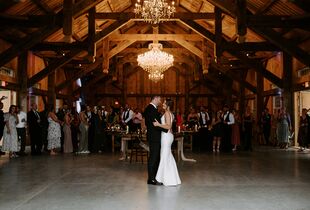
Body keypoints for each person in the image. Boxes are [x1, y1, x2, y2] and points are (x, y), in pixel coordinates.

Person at [153, 98, 181, 186]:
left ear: (168, 105)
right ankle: (171, 178)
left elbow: (168, 126)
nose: (163, 104)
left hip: (166, 136)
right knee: (167, 155)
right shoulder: (170, 113)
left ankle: (162, 179)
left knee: (164, 156)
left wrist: (158, 124)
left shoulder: (167, 113)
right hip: (167, 136)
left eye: (165, 103)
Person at [143, 96, 168, 185]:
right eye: (159, 100)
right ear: (155, 99)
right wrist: (167, 130)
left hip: (153, 136)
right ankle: (151, 179)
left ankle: (153, 177)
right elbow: (155, 124)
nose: (160, 102)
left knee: (155, 157)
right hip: (154, 137)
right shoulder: (151, 109)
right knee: (153, 157)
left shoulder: (149, 108)